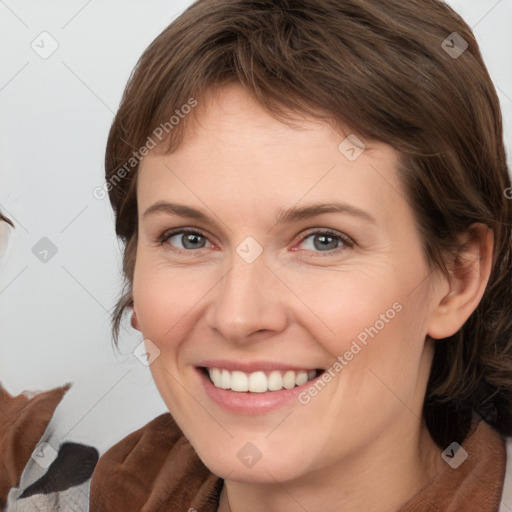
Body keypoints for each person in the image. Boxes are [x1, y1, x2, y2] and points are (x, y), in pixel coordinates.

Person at [1, 0, 512, 510]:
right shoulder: (53, 482)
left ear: (458, 277)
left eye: (323, 240)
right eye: (189, 238)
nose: (238, 316)